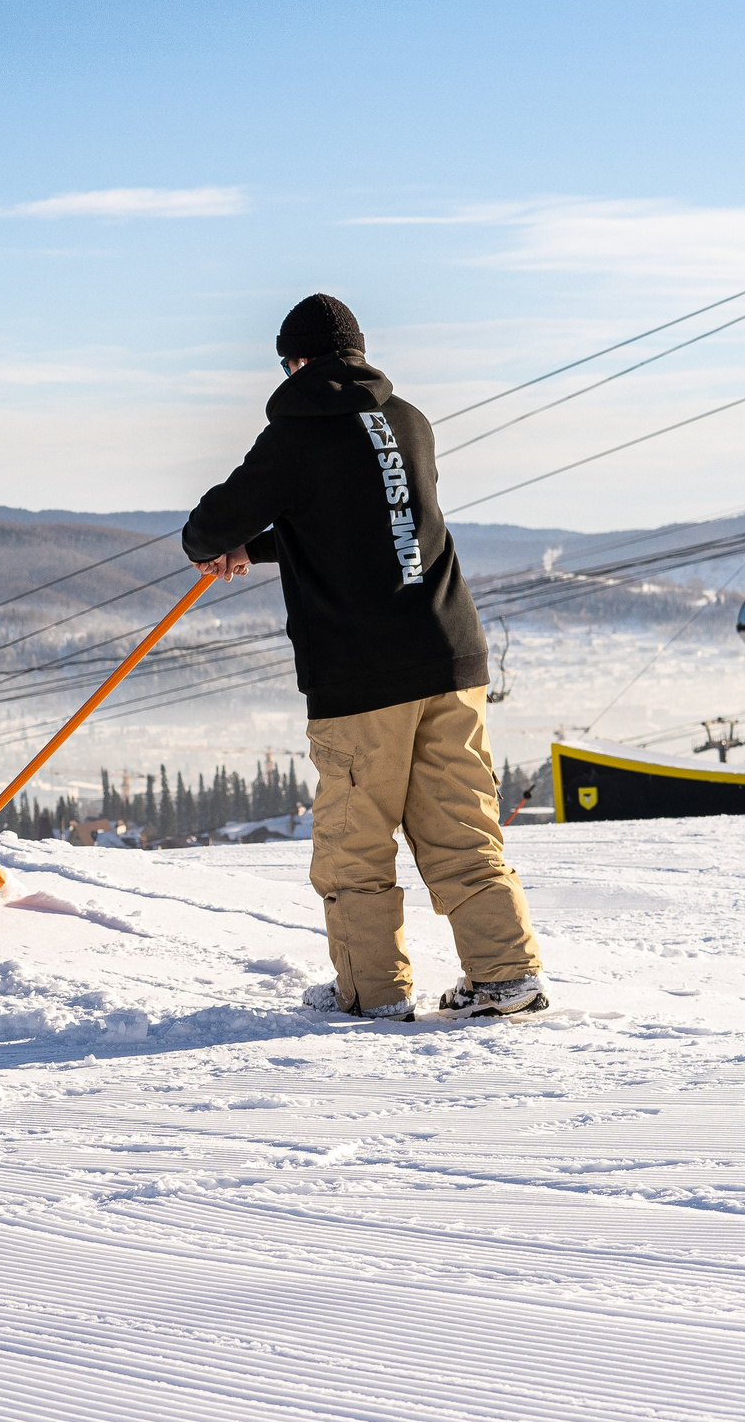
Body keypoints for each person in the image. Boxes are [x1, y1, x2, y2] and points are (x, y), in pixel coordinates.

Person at [182, 293, 547, 1021]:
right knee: (462, 825)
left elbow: (204, 529)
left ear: (297, 360)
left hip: (362, 674)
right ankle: (508, 976)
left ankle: (371, 993)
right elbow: (360, 517)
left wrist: (224, 544)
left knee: (355, 842)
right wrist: (258, 548)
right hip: (450, 657)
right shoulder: (408, 421)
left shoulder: (295, 432)